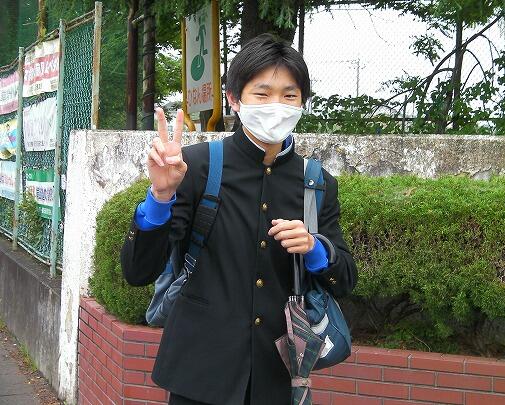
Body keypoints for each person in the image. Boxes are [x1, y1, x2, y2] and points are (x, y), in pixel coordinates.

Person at [121, 33, 358, 405]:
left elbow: (344, 279)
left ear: (302, 103)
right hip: (199, 375)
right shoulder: (197, 166)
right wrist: (161, 196)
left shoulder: (316, 183)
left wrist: (316, 249)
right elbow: (138, 271)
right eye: (262, 94)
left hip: (277, 377)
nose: (276, 105)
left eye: (289, 95)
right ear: (234, 99)